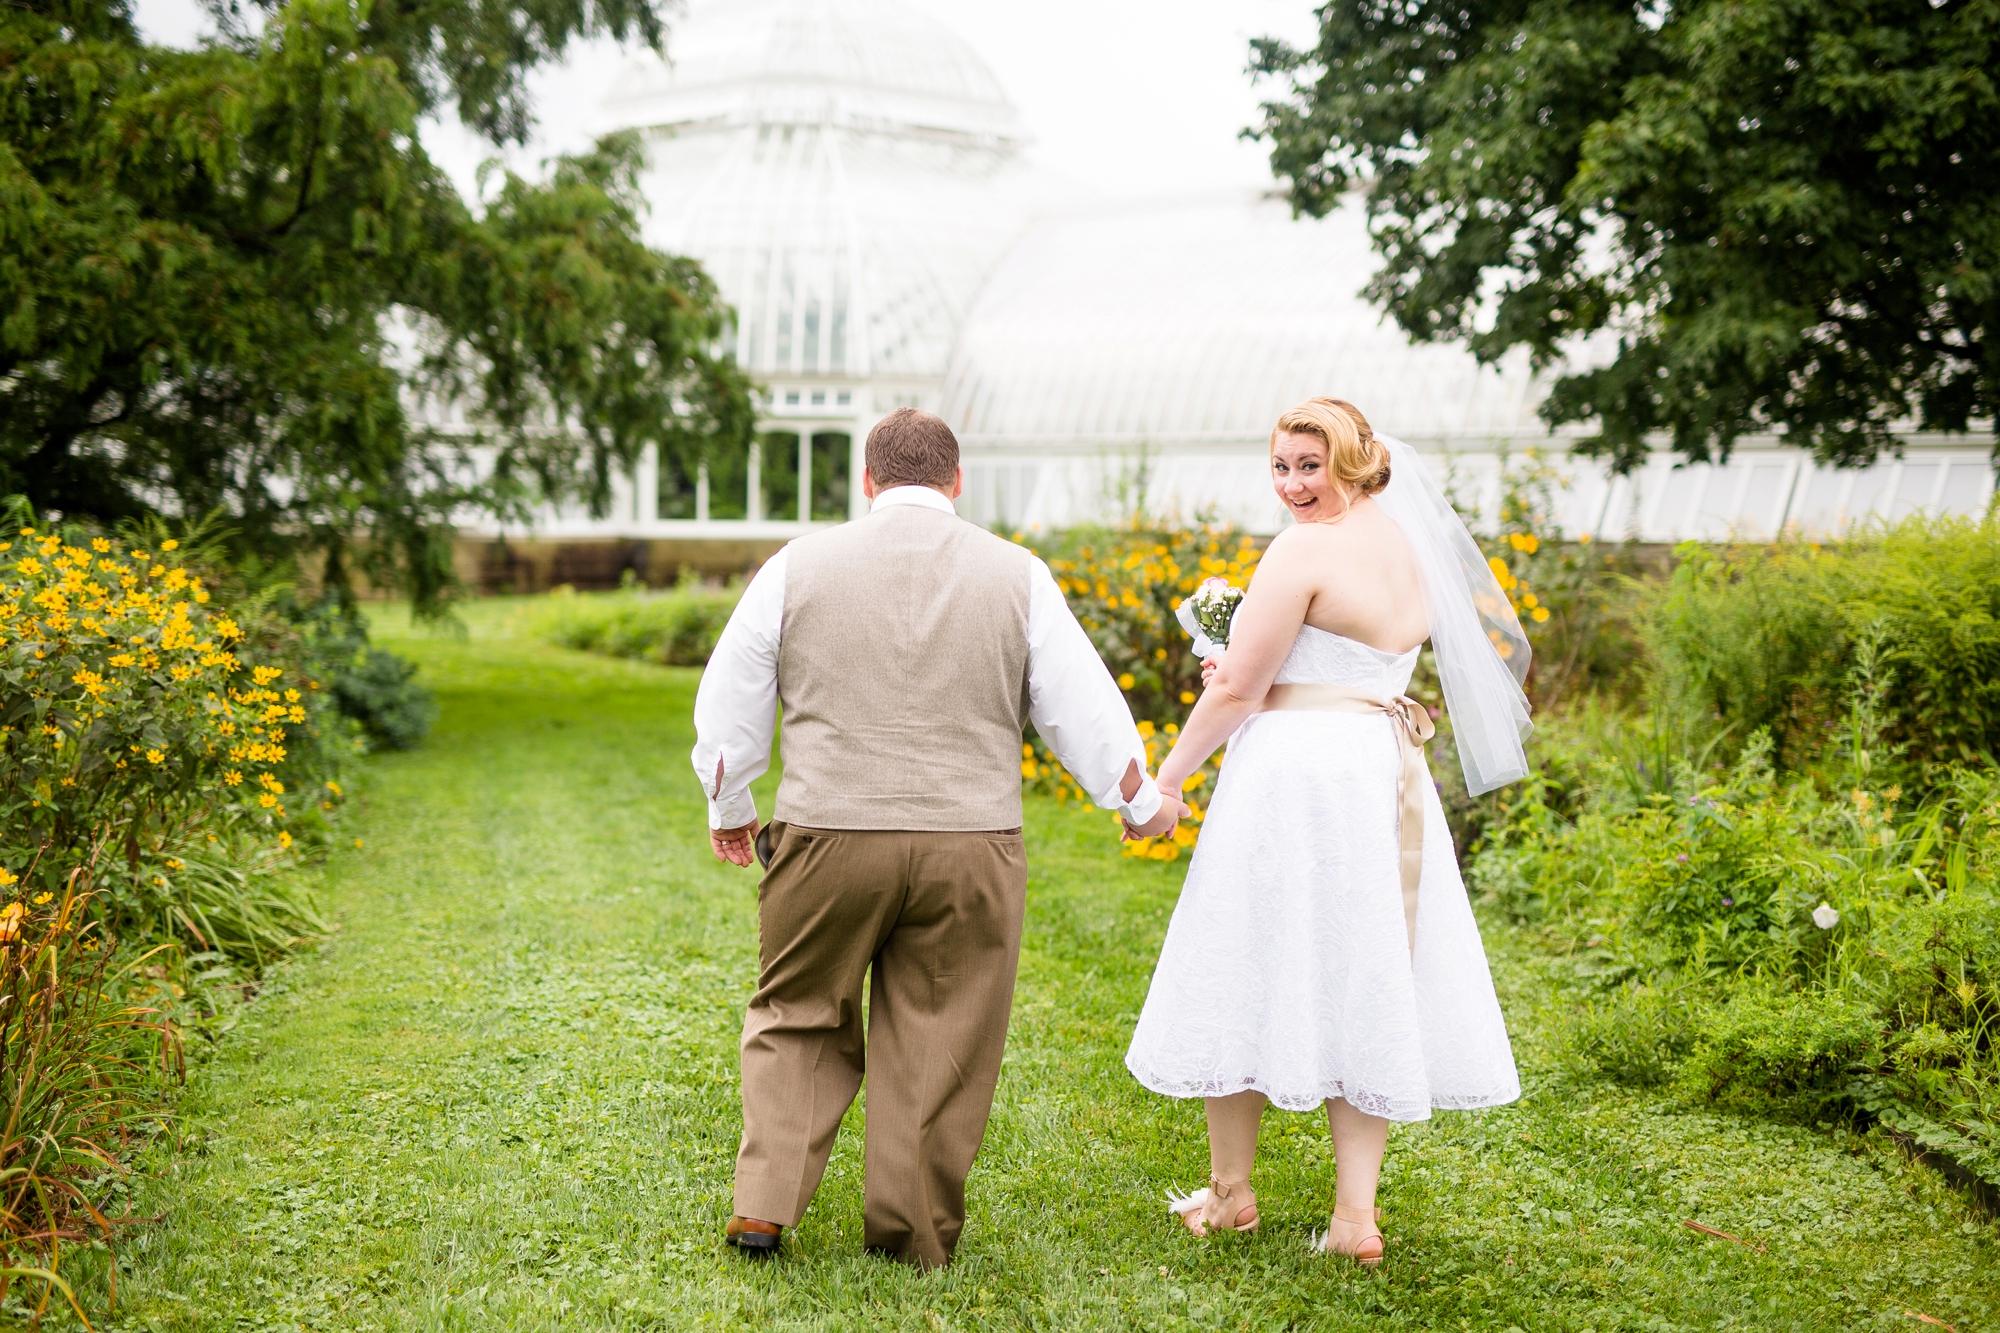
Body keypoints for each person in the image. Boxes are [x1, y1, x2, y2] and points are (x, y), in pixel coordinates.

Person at [692, 408, 1186, 1268]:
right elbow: (1081, 702)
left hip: (827, 836)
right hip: (971, 841)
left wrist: (731, 802)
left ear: (869, 483)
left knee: (797, 1009)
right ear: (957, 482)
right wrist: (1136, 800)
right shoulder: (1018, 574)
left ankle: (765, 1206)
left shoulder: (795, 567)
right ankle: (912, 1230)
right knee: (942, 1027)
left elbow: (731, 699)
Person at [1123, 397, 1530, 1262]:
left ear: (1354, 459)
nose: (1293, 484)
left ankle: (1233, 1194)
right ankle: (1353, 1218)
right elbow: (1331, 665)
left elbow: (1238, 692)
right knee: (1366, 963)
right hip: (1379, 771)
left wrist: (1168, 777)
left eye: (1310, 465)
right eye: (1280, 465)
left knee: (1246, 956)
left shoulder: (1302, 548)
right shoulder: (1412, 541)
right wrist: (1248, 663)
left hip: (1297, 774)